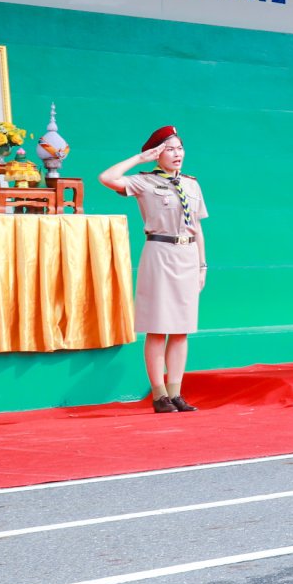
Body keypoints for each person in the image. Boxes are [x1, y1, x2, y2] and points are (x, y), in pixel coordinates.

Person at [101, 126, 209, 413]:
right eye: (170, 149)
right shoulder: (144, 182)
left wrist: (202, 265)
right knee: (158, 328)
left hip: (187, 255)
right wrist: (140, 158)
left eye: (180, 148)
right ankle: (159, 395)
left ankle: (176, 392)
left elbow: (197, 227)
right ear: (157, 153)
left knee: (182, 329)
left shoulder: (191, 184)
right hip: (160, 253)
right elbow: (107, 178)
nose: (177, 154)